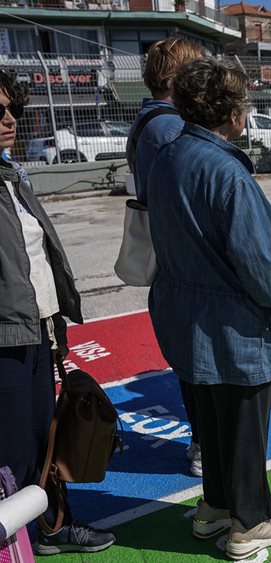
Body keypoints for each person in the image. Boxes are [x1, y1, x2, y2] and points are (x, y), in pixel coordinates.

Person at [146, 58, 271, 560]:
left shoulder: (168, 155)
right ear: (232, 112)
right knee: (243, 423)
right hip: (231, 321)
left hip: (182, 310)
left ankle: (213, 506)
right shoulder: (225, 171)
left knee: (208, 417)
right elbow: (260, 258)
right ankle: (250, 521)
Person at [0, 70, 116, 555]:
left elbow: (36, 261)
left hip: (35, 326)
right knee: (10, 450)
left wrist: (57, 320)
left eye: (12, 110)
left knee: (40, 440)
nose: (9, 120)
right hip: (4, 336)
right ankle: (16, 539)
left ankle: (48, 527)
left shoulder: (11, 175)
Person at [125, 37, 205, 478]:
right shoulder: (167, 127)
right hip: (185, 258)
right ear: (180, 77)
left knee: (196, 358)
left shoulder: (151, 121)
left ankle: (203, 440)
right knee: (200, 361)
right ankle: (203, 444)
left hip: (174, 255)